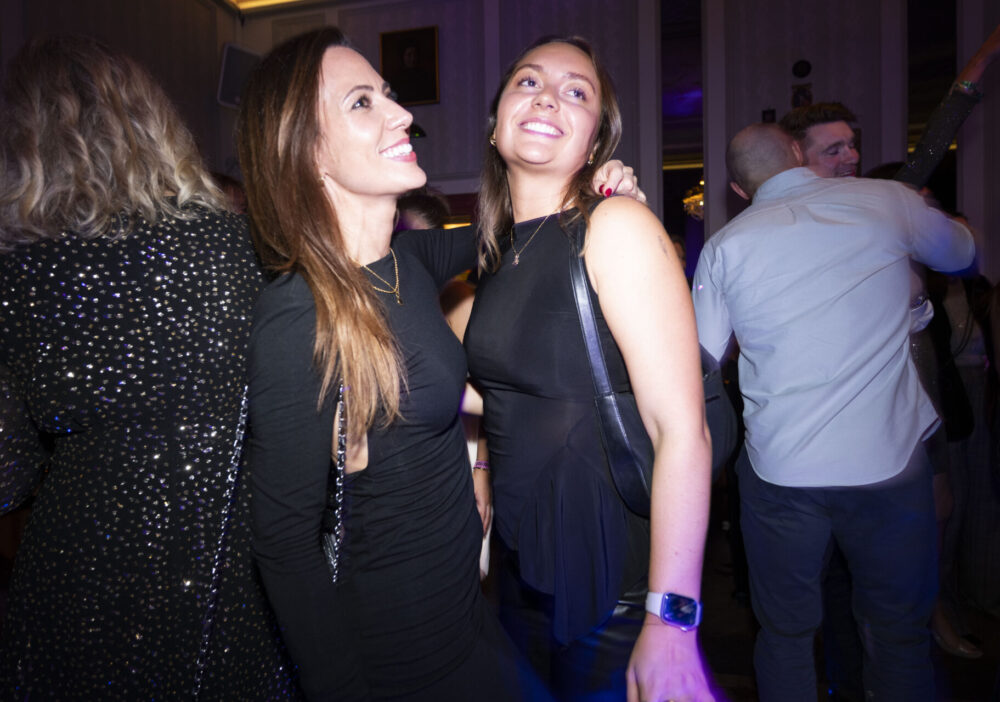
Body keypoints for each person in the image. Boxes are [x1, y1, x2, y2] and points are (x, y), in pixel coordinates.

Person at [236, 27, 637, 700]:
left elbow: (525, 229)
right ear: (307, 149)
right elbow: (282, 544)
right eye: (363, 102)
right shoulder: (299, 312)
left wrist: (600, 185)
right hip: (400, 653)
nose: (402, 114)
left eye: (389, 95)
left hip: (468, 618)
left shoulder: (408, 264)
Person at [0, 36, 300, 699]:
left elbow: (8, 476)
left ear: (22, 143)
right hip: (230, 561)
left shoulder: (16, 280)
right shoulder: (237, 245)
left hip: (79, 573)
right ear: (156, 124)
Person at [465, 36, 714, 702]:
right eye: (528, 81)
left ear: (595, 141)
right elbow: (511, 388)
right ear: (494, 125)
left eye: (576, 92)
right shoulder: (497, 252)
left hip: (614, 589)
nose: (548, 97)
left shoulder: (615, 226)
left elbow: (681, 430)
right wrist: (482, 468)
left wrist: (672, 621)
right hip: (524, 570)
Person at [692, 123, 975, 702]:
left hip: (782, 472)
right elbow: (964, 252)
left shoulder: (725, 246)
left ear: (738, 190)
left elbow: (702, 355)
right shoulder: (888, 201)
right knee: (897, 635)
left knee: (785, 635)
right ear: (799, 153)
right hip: (887, 465)